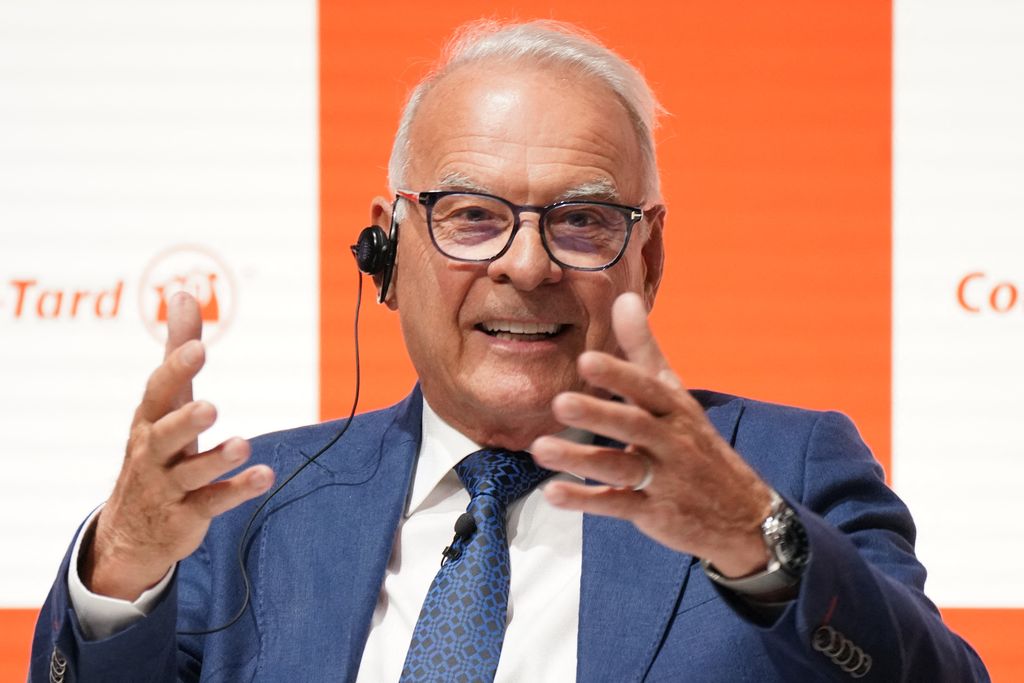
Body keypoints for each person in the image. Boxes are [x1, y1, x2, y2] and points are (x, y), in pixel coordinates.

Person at [31, 20, 988, 682]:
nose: (526, 265)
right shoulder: (242, 508)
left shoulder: (783, 471)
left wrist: (756, 541)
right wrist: (118, 570)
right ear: (387, 246)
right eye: (473, 216)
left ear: (647, 255)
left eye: (581, 221)